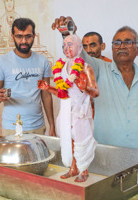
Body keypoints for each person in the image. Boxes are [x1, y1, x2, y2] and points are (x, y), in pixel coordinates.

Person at [52, 16, 138, 180]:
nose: (121, 46)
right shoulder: (98, 69)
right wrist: (67, 33)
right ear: (112, 48)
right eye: (116, 43)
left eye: (128, 42)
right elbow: (80, 55)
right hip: (108, 162)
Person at [38, 34, 99, 182]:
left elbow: (95, 92)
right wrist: (48, 88)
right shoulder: (61, 68)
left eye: (70, 45)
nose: (66, 48)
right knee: (68, 139)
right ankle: (73, 169)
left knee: (81, 141)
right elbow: (62, 93)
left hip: (80, 111)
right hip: (65, 111)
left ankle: (83, 170)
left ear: (79, 47)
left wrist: (85, 88)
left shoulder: (86, 67)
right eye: (64, 46)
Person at [0, 18, 56, 137]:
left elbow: (46, 95)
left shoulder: (43, 61)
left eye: (28, 36)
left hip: (38, 127)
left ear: (34, 36)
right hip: (12, 127)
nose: (24, 41)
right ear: (13, 37)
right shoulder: (1, 62)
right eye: (19, 36)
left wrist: (52, 125)